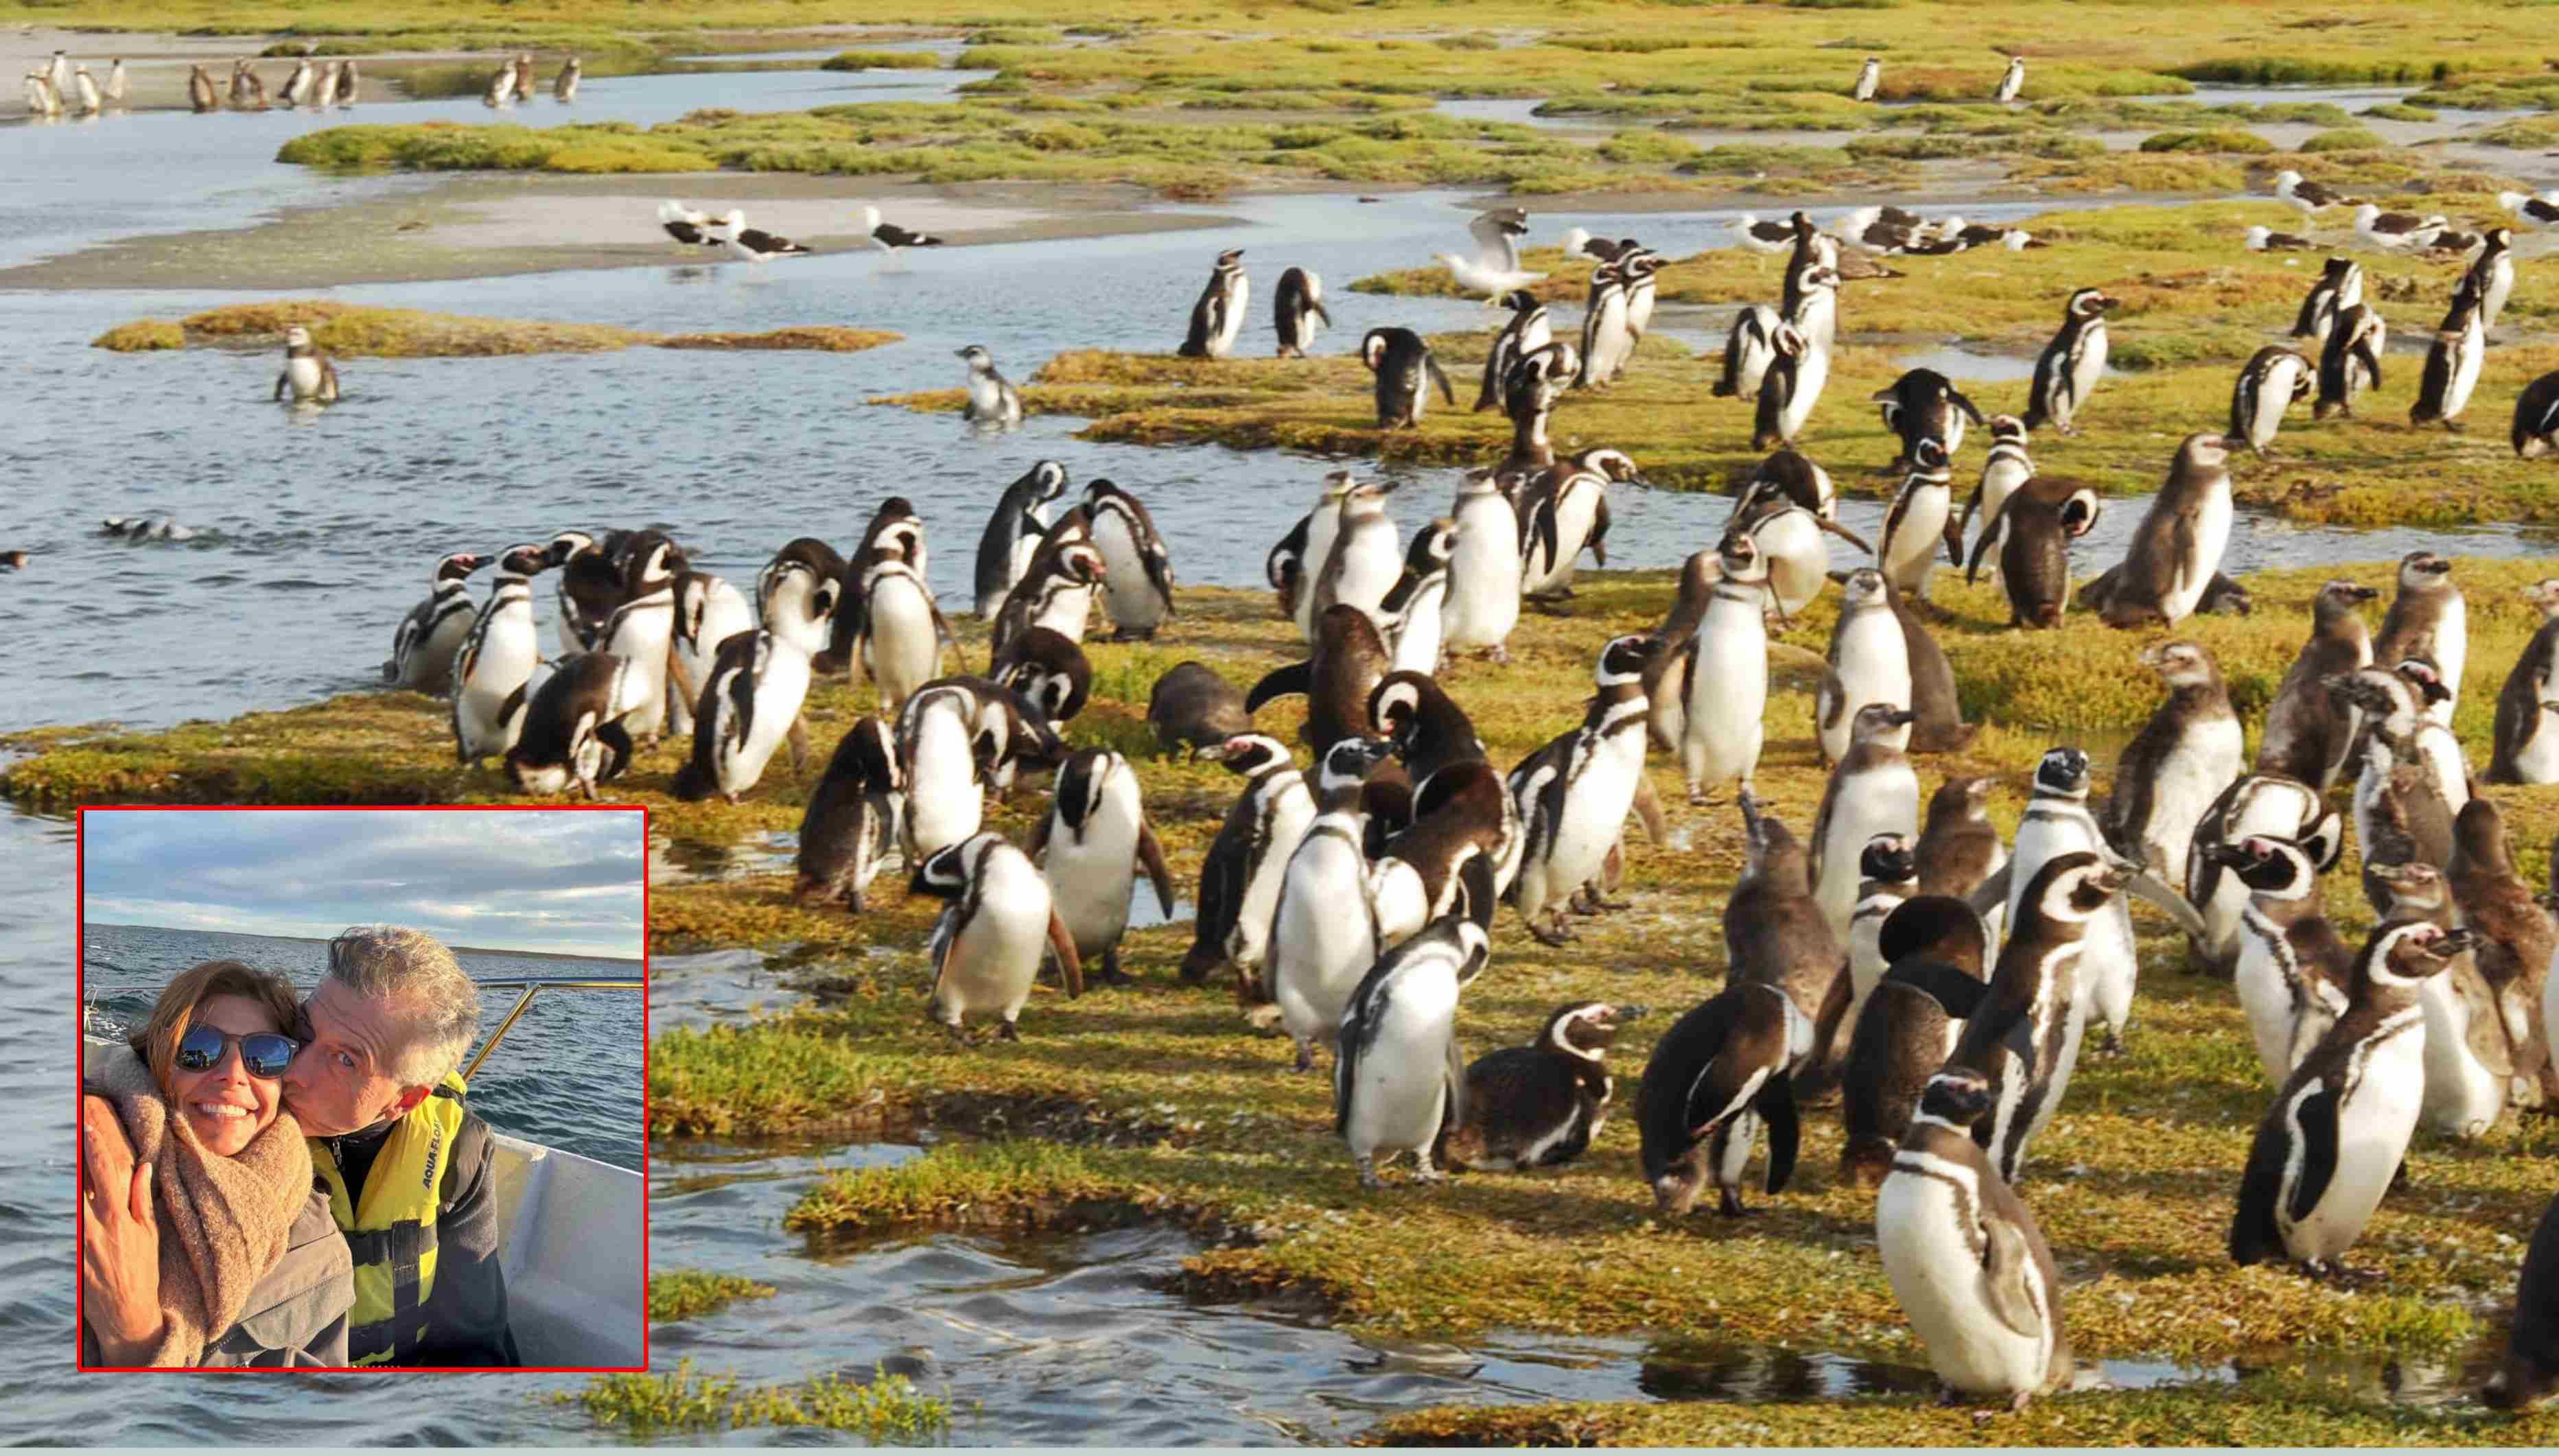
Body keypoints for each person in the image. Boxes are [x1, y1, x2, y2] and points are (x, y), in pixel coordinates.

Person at [80, 959, 353, 1366]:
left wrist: (133, 1337)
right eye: (199, 1048)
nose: (233, 1074)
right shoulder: (89, 1151)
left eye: (266, 1054)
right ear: (159, 1056)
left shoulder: (320, 1256)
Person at [281, 925, 521, 1367]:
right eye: (304, 1030)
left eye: (346, 1059)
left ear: (405, 1101)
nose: (294, 1069)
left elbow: (474, 1339)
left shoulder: (460, 1148)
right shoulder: (232, 1112)